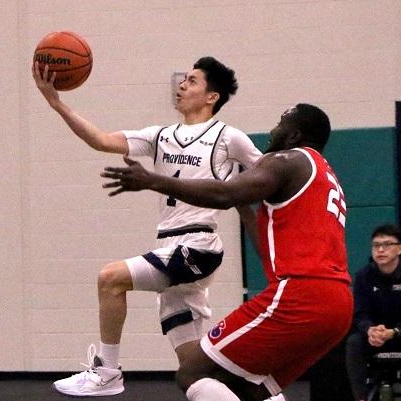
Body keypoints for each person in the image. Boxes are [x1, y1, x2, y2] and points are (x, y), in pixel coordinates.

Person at [33, 56, 263, 396]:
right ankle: (265, 393)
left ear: (212, 96)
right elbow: (101, 140)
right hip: (169, 248)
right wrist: (56, 103)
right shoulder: (160, 136)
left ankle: (107, 371)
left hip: (198, 246)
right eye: (183, 79)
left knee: (110, 278)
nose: (182, 85)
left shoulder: (230, 138)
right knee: (195, 371)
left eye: (193, 81)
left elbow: (269, 174)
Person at [101, 103, 352, 401]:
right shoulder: (324, 175)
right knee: (248, 388)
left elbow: (224, 194)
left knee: (193, 372)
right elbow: (264, 248)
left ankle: (104, 372)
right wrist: (243, 205)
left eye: (280, 123)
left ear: (294, 134)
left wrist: (153, 180)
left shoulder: (287, 160)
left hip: (301, 295)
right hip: (338, 306)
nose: (273, 130)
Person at [346, 224, 401, 401]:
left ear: (400, 249)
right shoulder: (363, 276)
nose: (381, 250)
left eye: (387, 244)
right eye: (376, 245)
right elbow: (359, 314)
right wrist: (370, 330)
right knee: (354, 342)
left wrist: (395, 332)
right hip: (376, 336)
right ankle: (360, 398)